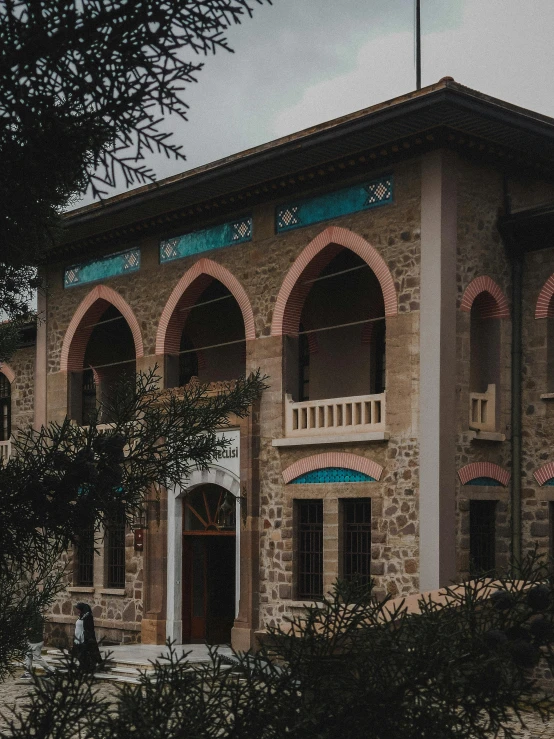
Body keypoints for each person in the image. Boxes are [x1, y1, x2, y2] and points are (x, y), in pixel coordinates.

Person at [21, 609, 55, 679]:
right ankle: (28, 673)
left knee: (37, 658)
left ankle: (50, 671)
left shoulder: (35, 617)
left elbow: (30, 628)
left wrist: (24, 629)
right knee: (28, 656)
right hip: (32, 640)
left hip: (35, 641)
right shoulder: (35, 616)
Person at [73, 602, 102, 671]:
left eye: (78, 609)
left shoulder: (87, 617)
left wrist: (87, 637)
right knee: (79, 654)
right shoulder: (81, 616)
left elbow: (89, 628)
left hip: (84, 638)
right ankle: (82, 666)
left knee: (85, 654)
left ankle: (88, 667)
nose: (77, 610)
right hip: (77, 638)